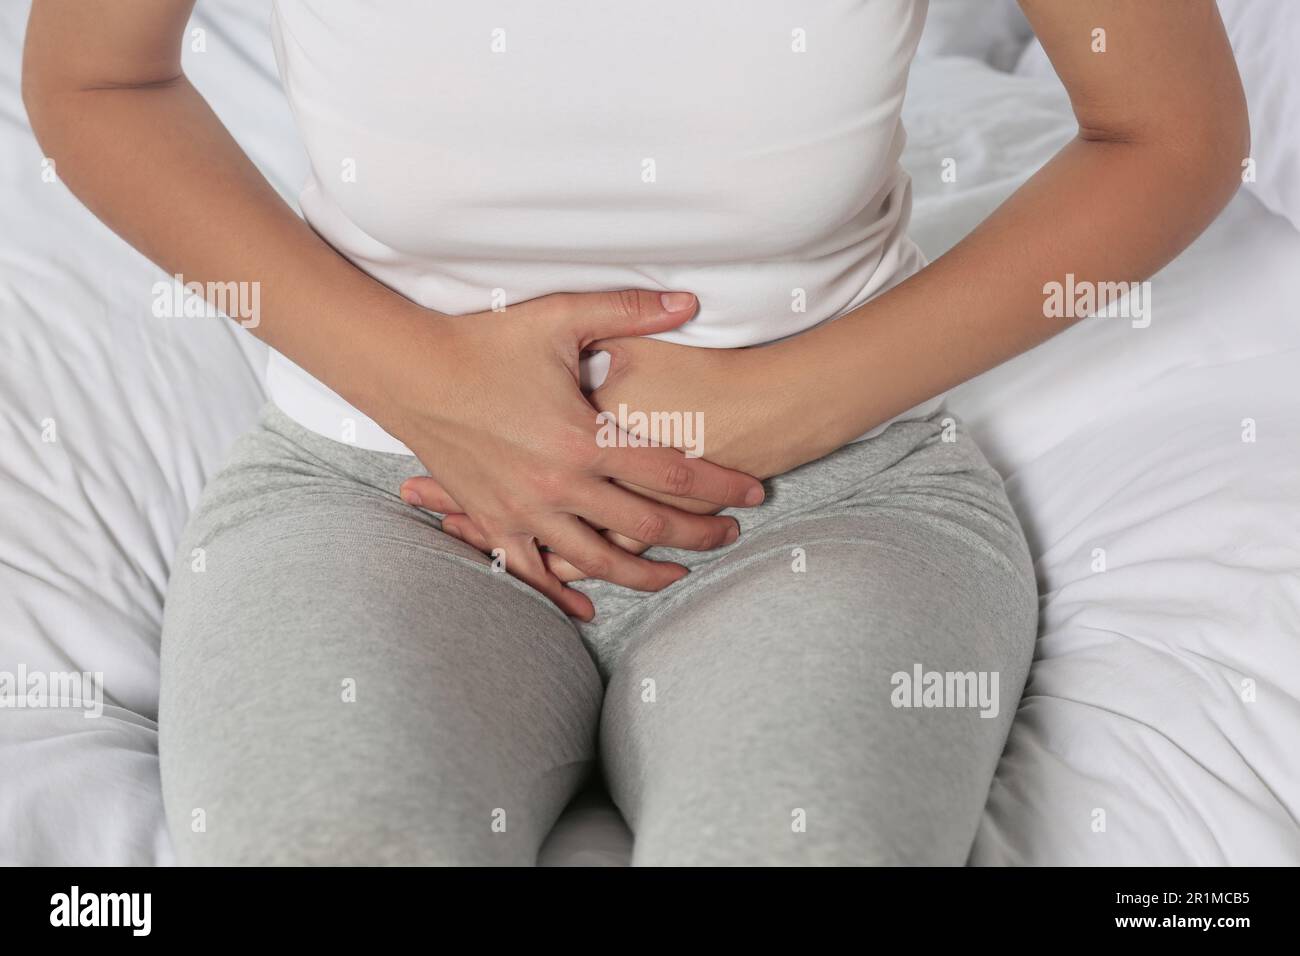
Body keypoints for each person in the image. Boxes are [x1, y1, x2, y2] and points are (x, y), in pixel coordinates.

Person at [22, 0, 1248, 864]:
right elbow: (95, 75)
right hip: (380, 492)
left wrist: (790, 400)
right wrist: (425, 385)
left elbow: (1165, 130)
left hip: (834, 497)